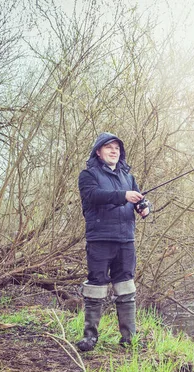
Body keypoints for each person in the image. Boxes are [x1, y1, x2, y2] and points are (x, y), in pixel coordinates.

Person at [76, 132, 150, 351]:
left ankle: (129, 338)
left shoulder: (128, 177)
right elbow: (94, 196)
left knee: (126, 286)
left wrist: (144, 207)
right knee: (96, 286)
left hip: (126, 239)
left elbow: (139, 198)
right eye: (108, 147)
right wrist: (123, 196)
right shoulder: (88, 174)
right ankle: (90, 337)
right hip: (99, 238)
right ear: (98, 152)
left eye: (117, 147)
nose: (113, 151)